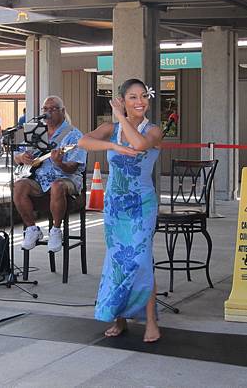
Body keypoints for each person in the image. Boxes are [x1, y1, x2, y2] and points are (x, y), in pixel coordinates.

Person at [78, 78, 162, 342]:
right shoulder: (109, 129)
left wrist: (122, 118)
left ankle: (151, 321)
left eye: (143, 96)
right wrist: (112, 145)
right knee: (118, 261)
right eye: (133, 97)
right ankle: (120, 317)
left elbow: (137, 145)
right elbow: (83, 142)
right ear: (123, 101)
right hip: (115, 204)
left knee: (140, 259)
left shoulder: (154, 131)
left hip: (141, 205)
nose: (140, 102)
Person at [14, 96, 87, 253]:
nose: (48, 112)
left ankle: (55, 230)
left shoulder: (74, 135)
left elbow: (74, 168)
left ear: (63, 111)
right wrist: (22, 158)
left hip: (67, 179)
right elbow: (17, 155)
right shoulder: (37, 132)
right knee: (19, 186)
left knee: (57, 186)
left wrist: (60, 163)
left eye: (53, 109)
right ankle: (32, 229)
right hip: (39, 180)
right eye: (45, 109)